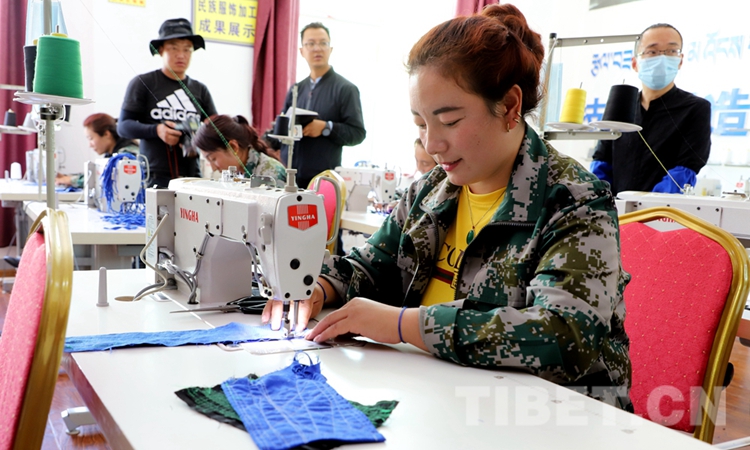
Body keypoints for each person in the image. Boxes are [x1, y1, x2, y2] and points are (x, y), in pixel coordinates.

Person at [263, 4, 632, 410]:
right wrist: (317, 288)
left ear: (510, 106)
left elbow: (563, 336)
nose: (431, 144)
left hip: (553, 416)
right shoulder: (430, 191)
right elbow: (371, 266)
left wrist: (403, 324)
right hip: (441, 401)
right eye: (421, 124)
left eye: (450, 121)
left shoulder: (574, 201)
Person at [590, 23, 711, 195]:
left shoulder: (695, 109)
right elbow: (601, 162)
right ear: (635, 63)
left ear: (680, 60)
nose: (662, 58)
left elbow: (686, 168)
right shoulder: (620, 107)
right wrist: (603, 201)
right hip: (614, 207)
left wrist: (649, 205)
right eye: (652, 52)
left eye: (671, 51)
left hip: (662, 208)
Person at [118, 18, 217, 188]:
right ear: (161, 50)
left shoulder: (200, 89)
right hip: (153, 176)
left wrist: (200, 133)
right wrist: (157, 130)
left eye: (187, 49)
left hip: (192, 176)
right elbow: (123, 127)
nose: (181, 55)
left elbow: (214, 126)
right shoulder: (144, 83)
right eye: (174, 48)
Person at [280, 22, 366, 189]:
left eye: (323, 43)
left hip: (323, 182)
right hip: (289, 178)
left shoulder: (346, 89)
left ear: (330, 49)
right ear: (302, 51)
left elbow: (358, 133)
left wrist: (326, 127)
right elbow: (283, 128)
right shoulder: (296, 89)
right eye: (310, 43)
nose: (317, 48)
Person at [192, 114, 287, 186]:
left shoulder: (270, 175)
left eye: (213, 159)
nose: (214, 168)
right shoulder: (237, 173)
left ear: (233, 147)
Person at [55, 113, 139, 188]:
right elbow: (98, 173)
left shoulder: (127, 155)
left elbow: (102, 178)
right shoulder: (111, 155)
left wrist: (70, 180)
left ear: (106, 134)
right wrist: (67, 177)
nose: (90, 145)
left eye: (91, 138)